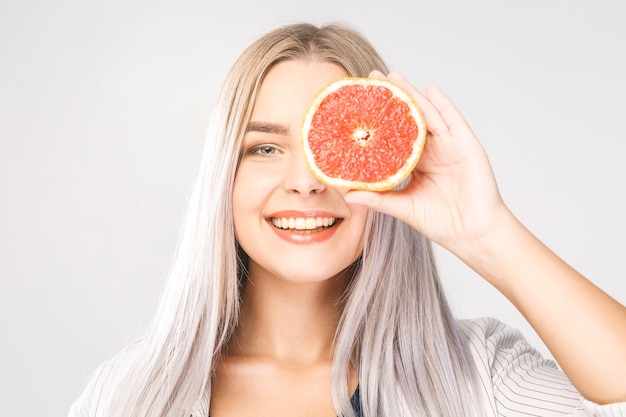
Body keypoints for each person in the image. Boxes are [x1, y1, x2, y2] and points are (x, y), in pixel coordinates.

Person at [69, 22, 626, 417]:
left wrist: (488, 232)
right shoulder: (133, 393)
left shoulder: (478, 377)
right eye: (264, 148)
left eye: (334, 148)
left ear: (388, 168)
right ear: (223, 177)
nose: (306, 181)